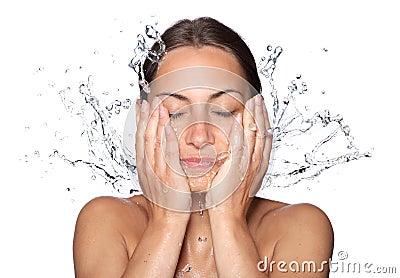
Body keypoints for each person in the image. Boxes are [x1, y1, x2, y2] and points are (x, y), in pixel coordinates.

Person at [73, 17, 334, 277]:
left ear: (257, 120)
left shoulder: (299, 227)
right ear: (143, 123)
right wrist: (167, 223)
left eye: (222, 112)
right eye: (175, 113)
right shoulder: (106, 220)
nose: (200, 137)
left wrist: (228, 219)